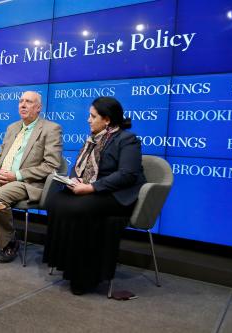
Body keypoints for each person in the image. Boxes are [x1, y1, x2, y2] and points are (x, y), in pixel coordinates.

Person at [43, 96, 146, 295]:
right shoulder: (92, 139)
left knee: (78, 207)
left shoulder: (127, 140)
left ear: (107, 119)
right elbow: (78, 166)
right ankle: (64, 263)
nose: (88, 120)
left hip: (117, 195)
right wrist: (75, 180)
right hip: (95, 190)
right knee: (55, 200)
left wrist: (91, 188)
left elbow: (127, 175)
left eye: (92, 116)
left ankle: (83, 277)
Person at [0, 91, 63, 263]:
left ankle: (9, 242)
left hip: (26, 182)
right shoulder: (12, 127)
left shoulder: (51, 129)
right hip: (0, 176)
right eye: (21, 101)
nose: (23, 105)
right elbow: (0, 155)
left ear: (38, 108)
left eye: (29, 102)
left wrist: (16, 175)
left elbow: (51, 166)